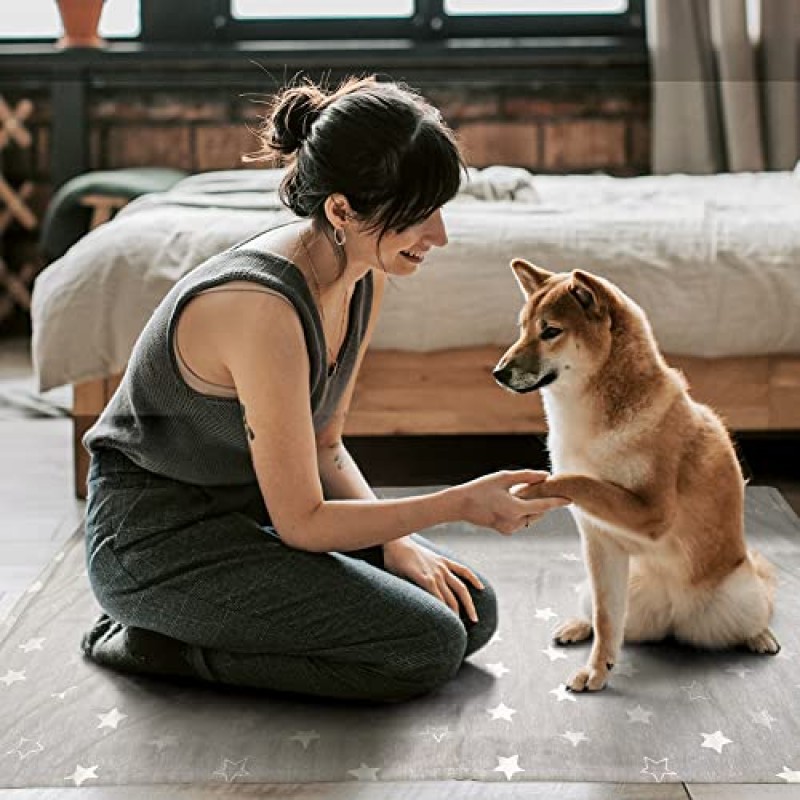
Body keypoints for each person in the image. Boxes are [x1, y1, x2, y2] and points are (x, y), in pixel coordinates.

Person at [80, 75, 567, 704]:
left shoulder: (361, 271)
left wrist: (396, 545)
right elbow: (304, 523)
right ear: (341, 211)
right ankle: (154, 642)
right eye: (418, 215)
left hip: (248, 514)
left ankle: (227, 623)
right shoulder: (262, 310)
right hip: (154, 542)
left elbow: (325, 443)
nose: (439, 236)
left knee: (473, 611)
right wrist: (456, 504)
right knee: (427, 645)